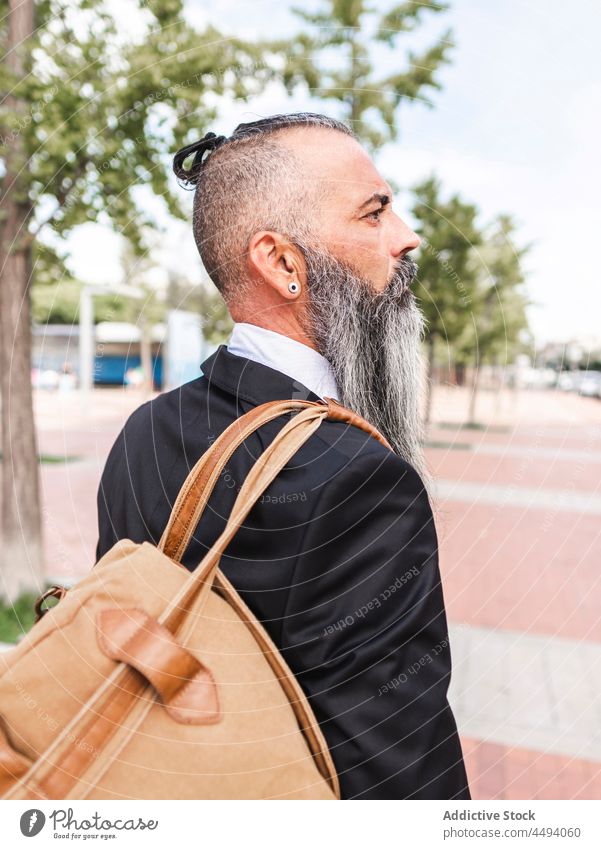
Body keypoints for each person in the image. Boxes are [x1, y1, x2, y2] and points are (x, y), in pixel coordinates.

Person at [95, 112, 470, 800]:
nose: (405, 236)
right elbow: (401, 769)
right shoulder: (361, 476)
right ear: (281, 263)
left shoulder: (143, 433)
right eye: (374, 213)